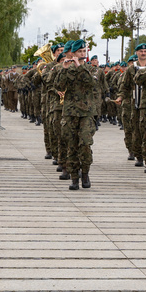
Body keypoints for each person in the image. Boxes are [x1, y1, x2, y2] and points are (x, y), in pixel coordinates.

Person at [54, 39, 95, 190]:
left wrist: (80, 67)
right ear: (73, 53)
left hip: (86, 113)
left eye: (84, 52)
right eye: (80, 52)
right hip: (70, 112)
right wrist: (64, 69)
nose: (82, 54)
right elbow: (58, 86)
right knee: (71, 145)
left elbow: (91, 83)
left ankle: (85, 173)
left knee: (85, 144)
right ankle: (74, 177)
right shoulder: (67, 69)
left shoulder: (90, 69)